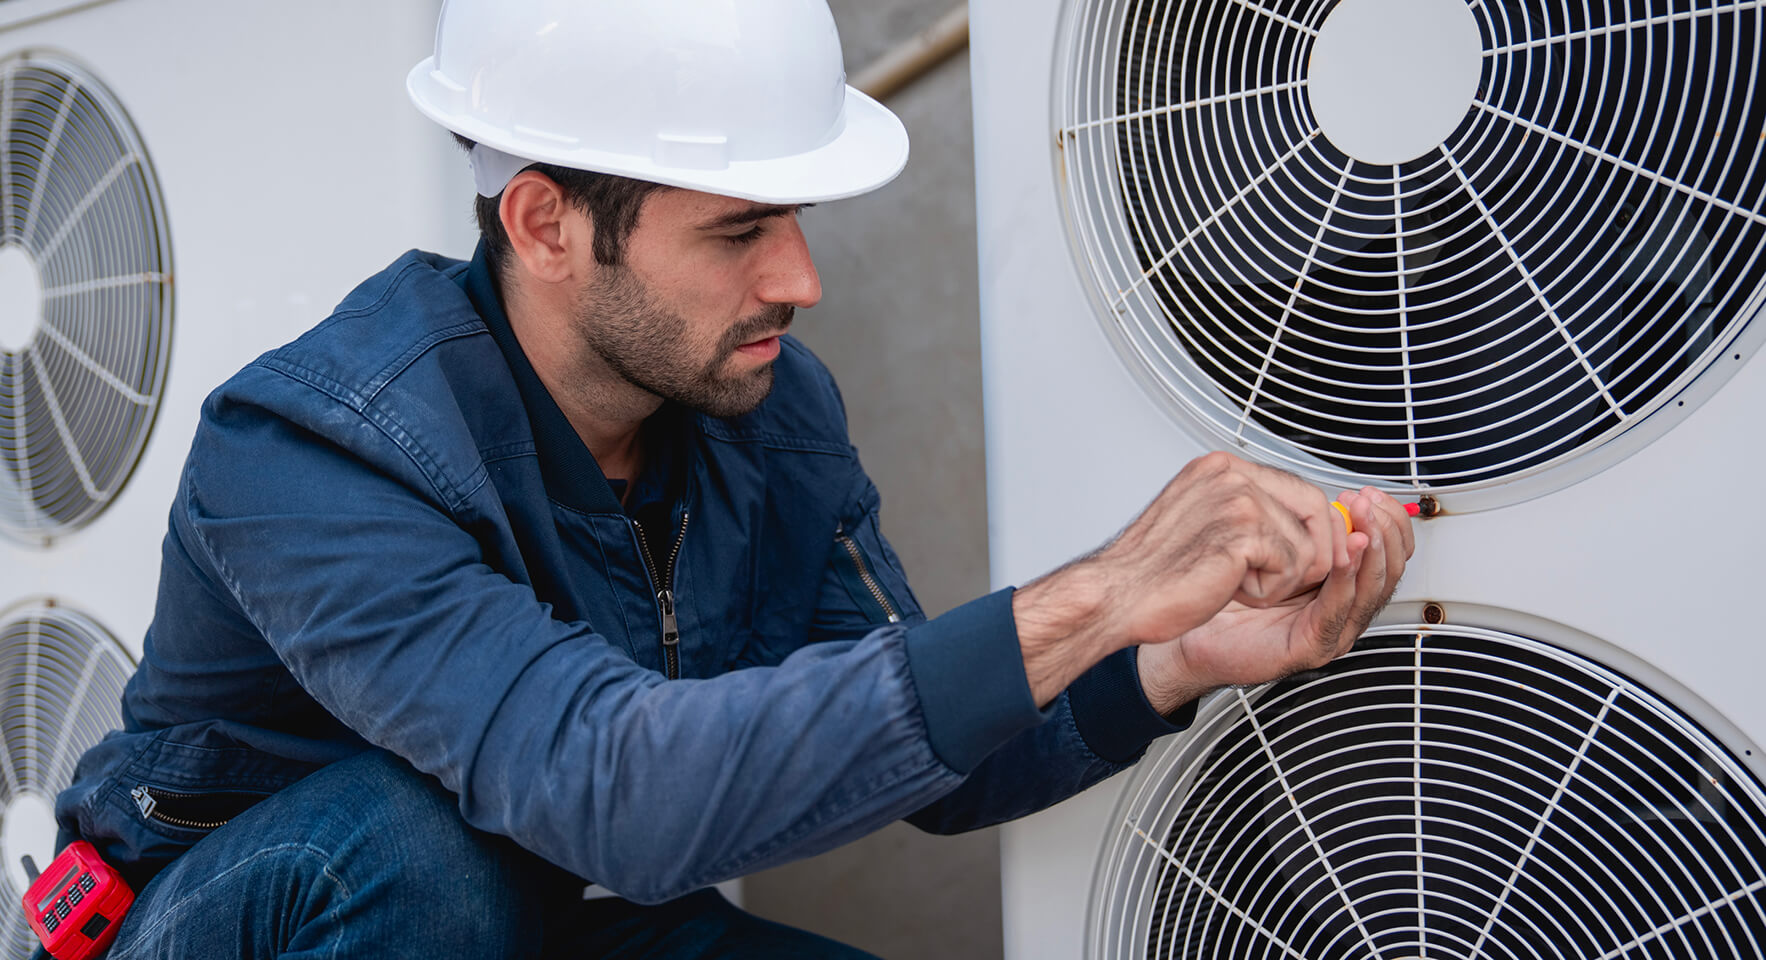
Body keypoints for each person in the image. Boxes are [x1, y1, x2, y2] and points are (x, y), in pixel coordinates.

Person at [52, 1, 1414, 957]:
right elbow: (613, 792)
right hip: (261, 918)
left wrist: (1167, 655)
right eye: (740, 230)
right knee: (406, 841)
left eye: (799, 221)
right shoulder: (314, 451)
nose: (801, 282)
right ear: (545, 222)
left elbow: (921, 751)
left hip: (535, 918)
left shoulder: (758, 413)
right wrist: (1104, 591)